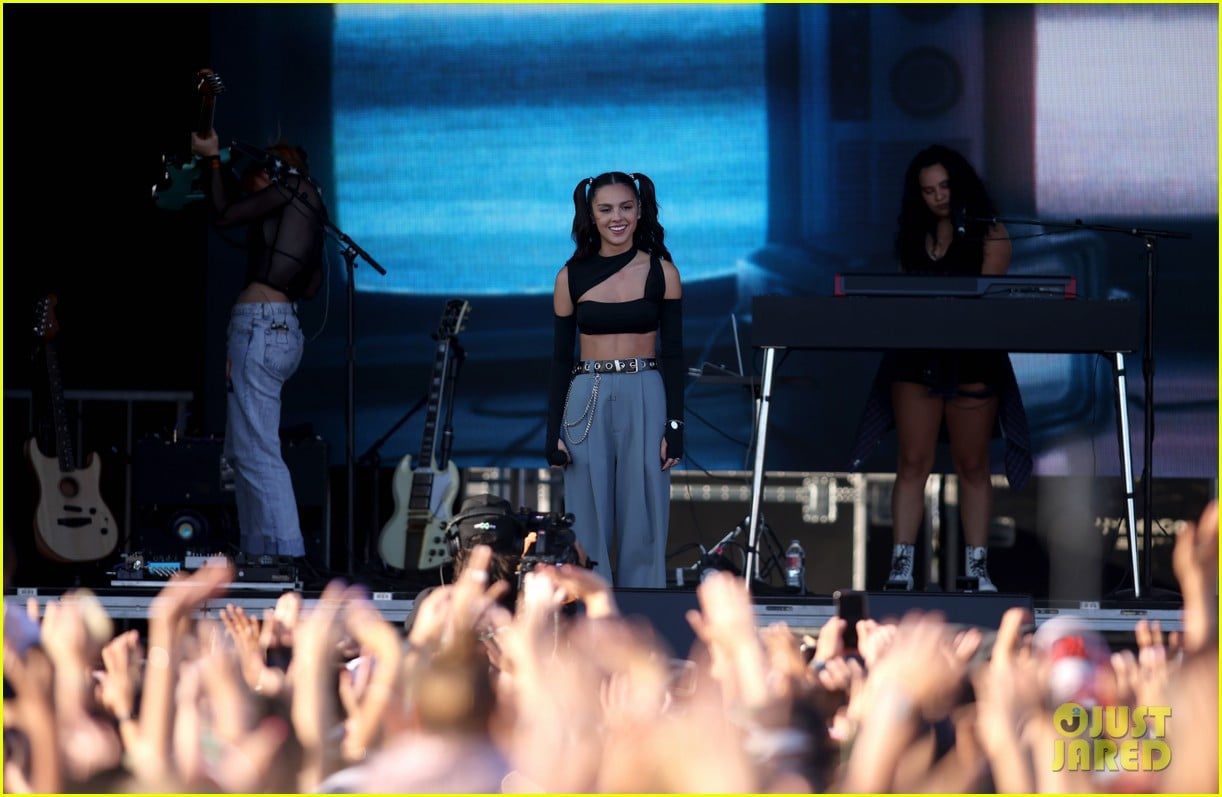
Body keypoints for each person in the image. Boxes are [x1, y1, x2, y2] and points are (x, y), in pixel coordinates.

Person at [850, 144, 1031, 592]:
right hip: (916, 358)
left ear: (961, 183)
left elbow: (988, 305)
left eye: (945, 186)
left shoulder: (991, 233)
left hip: (972, 358)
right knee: (912, 461)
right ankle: (902, 566)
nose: (938, 196)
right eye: (928, 190)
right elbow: (904, 299)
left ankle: (977, 568)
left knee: (973, 464)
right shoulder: (912, 236)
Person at [189, 129, 328, 559]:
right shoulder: (306, 205)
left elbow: (226, 212)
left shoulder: (291, 187)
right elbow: (309, 286)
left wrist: (212, 159)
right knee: (243, 450)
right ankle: (257, 553)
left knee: (258, 452)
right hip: (278, 329)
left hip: (260, 328)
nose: (251, 187)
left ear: (273, 172)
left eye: (255, 178)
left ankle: (285, 558)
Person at [545, 172, 684, 589]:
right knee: (587, 514)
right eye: (605, 209)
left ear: (640, 211)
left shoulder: (663, 272)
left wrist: (675, 425)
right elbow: (558, 358)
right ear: (591, 214)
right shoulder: (569, 276)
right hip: (587, 392)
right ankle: (592, 617)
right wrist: (552, 431)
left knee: (644, 513)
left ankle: (643, 622)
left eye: (626, 207)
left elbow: (675, 354)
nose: (616, 217)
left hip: (646, 388)